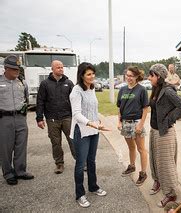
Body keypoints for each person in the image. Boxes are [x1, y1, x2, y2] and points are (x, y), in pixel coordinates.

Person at [147, 63, 181, 208]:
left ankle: (171, 193)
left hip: (165, 132)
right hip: (154, 131)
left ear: (158, 76)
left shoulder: (168, 91)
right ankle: (158, 181)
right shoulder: (156, 89)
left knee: (166, 164)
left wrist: (169, 119)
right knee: (154, 160)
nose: (149, 78)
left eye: (151, 75)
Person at [69, 62, 110, 208]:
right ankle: (80, 194)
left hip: (94, 130)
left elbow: (93, 109)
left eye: (93, 73)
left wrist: (98, 122)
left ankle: (93, 186)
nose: (92, 76)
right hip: (81, 131)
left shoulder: (91, 88)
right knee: (81, 164)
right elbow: (76, 114)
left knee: (92, 161)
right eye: (88, 74)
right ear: (82, 75)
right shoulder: (76, 90)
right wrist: (92, 123)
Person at [36, 60, 76, 174]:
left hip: (67, 117)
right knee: (56, 143)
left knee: (73, 140)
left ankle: (80, 162)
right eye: (58, 67)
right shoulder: (45, 84)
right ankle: (59, 164)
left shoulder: (68, 83)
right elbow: (40, 101)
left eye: (62, 67)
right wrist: (39, 118)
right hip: (52, 119)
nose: (61, 69)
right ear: (52, 69)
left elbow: (74, 100)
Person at [0, 55, 34, 185]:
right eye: (14, 69)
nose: (16, 71)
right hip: (4, 118)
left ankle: (20, 171)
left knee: (21, 145)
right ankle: (8, 173)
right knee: (5, 147)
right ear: (6, 68)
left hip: (20, 117)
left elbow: (25, 97)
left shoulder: (22, 82)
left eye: (18, 69)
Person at [117, 66, 149, 186]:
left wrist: (141, 124)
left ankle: (143, 173)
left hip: (136, 122)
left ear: (136, 77)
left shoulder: (141, 90)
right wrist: (119, 121)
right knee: (131, 147)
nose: (128, 77)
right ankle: (132, 166)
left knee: (141, 149)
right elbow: (120, 108)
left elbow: (145, 108)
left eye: (131, 76)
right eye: (127, 75)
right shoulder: (122, 90)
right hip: (125, 122)